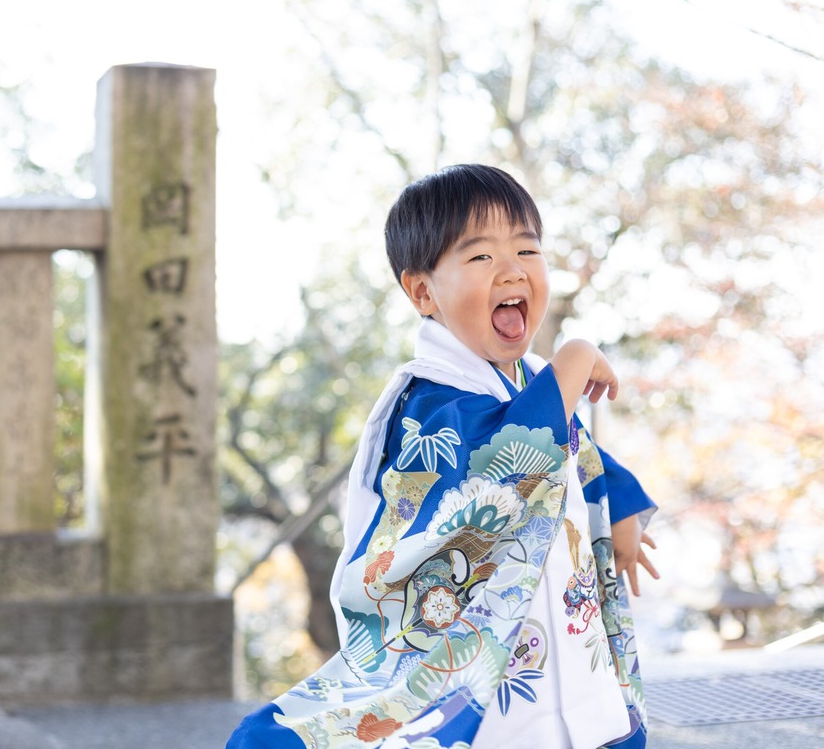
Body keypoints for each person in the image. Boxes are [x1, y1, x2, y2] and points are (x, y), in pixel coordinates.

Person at [228, 164, 659, 749]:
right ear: (423, 291)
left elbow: (575, 453)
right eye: (480, 257)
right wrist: (576, 354)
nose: (512, 269)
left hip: (568, 656)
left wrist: (623, 509)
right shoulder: (428, 403)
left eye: (527, 249)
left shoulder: (530, 382)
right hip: (494, 685)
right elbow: (505, 464)